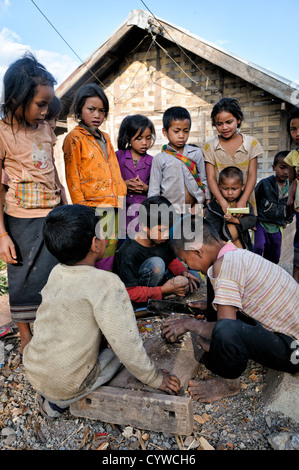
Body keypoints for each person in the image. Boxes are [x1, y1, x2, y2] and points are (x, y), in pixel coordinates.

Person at [23, 204, 180, 419]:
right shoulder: (106, 282)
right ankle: (57, 404)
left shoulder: (56, 272)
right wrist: (154, 378)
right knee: (120, 350)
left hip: (34, 370)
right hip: (64, 384)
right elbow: (127, 345)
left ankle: (52, 392)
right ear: (95, 244)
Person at [161, 215, 299, 403]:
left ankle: (227, 383)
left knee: (226, 330)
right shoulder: (234, 254)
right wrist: (213, 306)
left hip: (294, 352)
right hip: (290, 340)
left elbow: (227, 327)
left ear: (197, 251)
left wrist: (189, 324)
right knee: (214, 286)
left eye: (186, 261)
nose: (187, 266)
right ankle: (219, 348)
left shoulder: (225, 265)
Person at [0, 53, 66, 353]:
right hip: (21, 218)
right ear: (16, 98)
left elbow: (52, 170)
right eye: (40, 104)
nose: (45, 111)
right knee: (23, 276)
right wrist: (2, 236)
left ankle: (53, 330)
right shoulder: (2, 134)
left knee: (54, 275)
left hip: (52, 213)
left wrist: (64, 204)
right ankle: (26, 336)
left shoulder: (45, 129)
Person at [63, 83, 127, 272]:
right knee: (96, 251)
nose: (97, 115)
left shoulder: (105, 137)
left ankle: (108, 287)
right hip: (92, 207)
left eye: (102, 111)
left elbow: (114, 168)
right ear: (79, 109)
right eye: (91, 109)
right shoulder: (73, 138)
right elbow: (72, 177)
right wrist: (82, 211)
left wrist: (122, 191)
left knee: (112, 249)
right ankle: (96, 289)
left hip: (114, 204)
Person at [115, 196, 200, 306]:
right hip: (137, 290)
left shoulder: (161, 239)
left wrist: (183, 272)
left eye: (168, 229)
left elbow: (171, 260)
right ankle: (151, 300)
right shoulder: (130, 251)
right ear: (145, 227)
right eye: (161, 230)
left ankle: (166, 294)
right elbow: (129, 292)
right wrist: (162, 290)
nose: (165, 234)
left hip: (160, 281)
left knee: (195, 278)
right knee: (157, 264)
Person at [203, 98, 263, 215]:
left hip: (245, 202)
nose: (224, 127)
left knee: (243, 230)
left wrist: (243, 200)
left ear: (238, 120)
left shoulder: (251, 143)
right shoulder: (210, 146)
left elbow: (252, 175)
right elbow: (211, 178)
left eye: (229, 122)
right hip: (219, 204)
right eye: (219, 124)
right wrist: (222, 202)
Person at [148, 106, 210, 215]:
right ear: (165, 132)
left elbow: (203, 181)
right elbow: (154, 191)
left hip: (194, 211)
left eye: (185, 131)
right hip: (169, 213)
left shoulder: (196, 153)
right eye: (176, 131)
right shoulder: (159, 159)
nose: (181, 136)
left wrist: (200, 204)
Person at [116, 114, 155, 239]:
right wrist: (124, 185)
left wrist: (145, 188)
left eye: (148, 138)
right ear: (128, 138)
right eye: (139, 138)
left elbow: (157, 190)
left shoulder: (153, 161)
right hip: (120, 213)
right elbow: (108, 182)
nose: (144, 143)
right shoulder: (117, 157)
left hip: (142, 216)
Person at [254, 151, 292, 264]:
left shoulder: (293, 187)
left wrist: (287, 220)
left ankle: (269, 276)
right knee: (258, 248)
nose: (286, 172)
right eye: (282, 167)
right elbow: (253, 201)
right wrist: (252, 220)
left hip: (277, 226)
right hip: (261, 223)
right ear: (274, 167)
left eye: (289, 169)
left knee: (274, 255)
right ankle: (254, 271)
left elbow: (294, 206)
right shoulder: (264, 184)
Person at [205, 166, 256, 250]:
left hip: (243, 245)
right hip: (221, 247)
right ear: (219, 187)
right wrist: (220, 241)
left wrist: (235, 220)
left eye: (234, 189)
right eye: (225, 189)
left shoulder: (243, 205)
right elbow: (211, 228)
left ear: (242, 187)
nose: (230, 193)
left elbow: (252, 221)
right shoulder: (213, 207)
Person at [284, 107, 299, 282]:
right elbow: (292, 180)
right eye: (293, 129)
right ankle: (295, 283)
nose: (297, 133)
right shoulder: (292, 156)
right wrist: (289, 200)